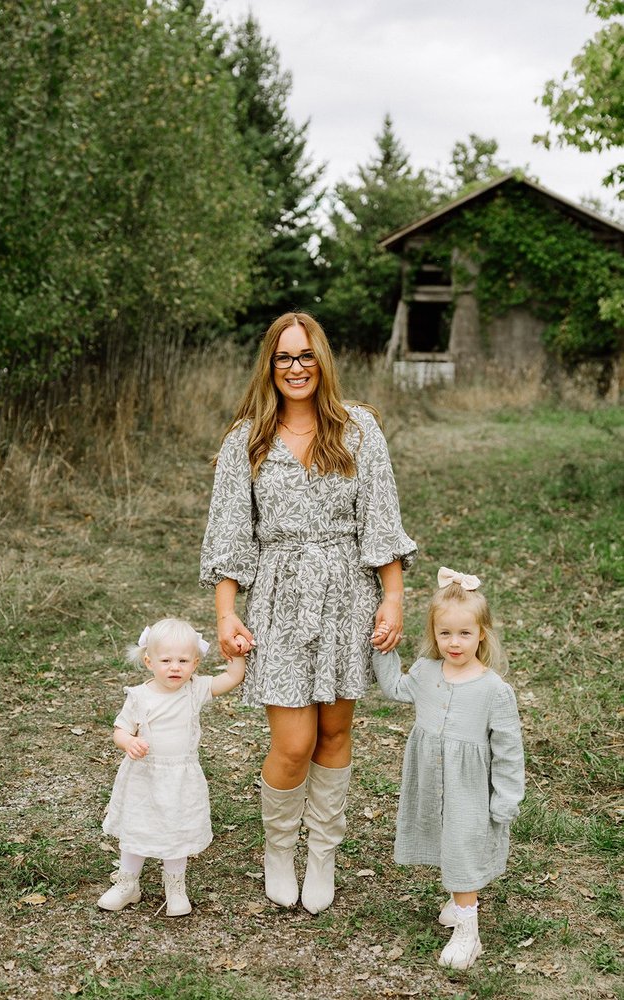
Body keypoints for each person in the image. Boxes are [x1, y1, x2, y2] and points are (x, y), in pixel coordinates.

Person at [200, 311, 417, 913]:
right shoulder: (247, 439)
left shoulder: (358, 429)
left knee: (335, 731)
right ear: (269, 366)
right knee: (294, 742)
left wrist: (392, 597)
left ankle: (322, 853)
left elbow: (381, 519)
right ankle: (279, 849)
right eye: (283, 357)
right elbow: (230, 535)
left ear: (322, 360)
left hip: (349, 592)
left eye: (305, 355)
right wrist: (226, 613)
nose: (295, 367)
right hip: (281, 594)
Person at [373, 566, 525, 970]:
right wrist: (384, 650)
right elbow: (396, 688)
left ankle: (468, 934)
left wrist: (506, 798)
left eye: (464, 633)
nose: (454, 643)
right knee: (443, 838)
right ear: (434, 633)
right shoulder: (426, 672)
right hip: (431, 780)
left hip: (469, 788)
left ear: (482, 634)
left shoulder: (494, 690)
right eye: (445, 633)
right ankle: (458, 902)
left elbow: (509, 751)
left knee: (461, 845)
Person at [97, 617, 245, 916]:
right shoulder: (139, 696)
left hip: (180, 778)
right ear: (149, 661)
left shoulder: (194, 689)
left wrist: (238, 655)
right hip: (143, 775)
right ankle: (128, 884)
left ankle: (175, 887)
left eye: (183, 661)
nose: (174, 667)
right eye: (166, 660)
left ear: (195, 663)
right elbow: (120, 730)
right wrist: (128, 742)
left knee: (177, 830)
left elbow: (231, 678)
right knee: (137, 827)